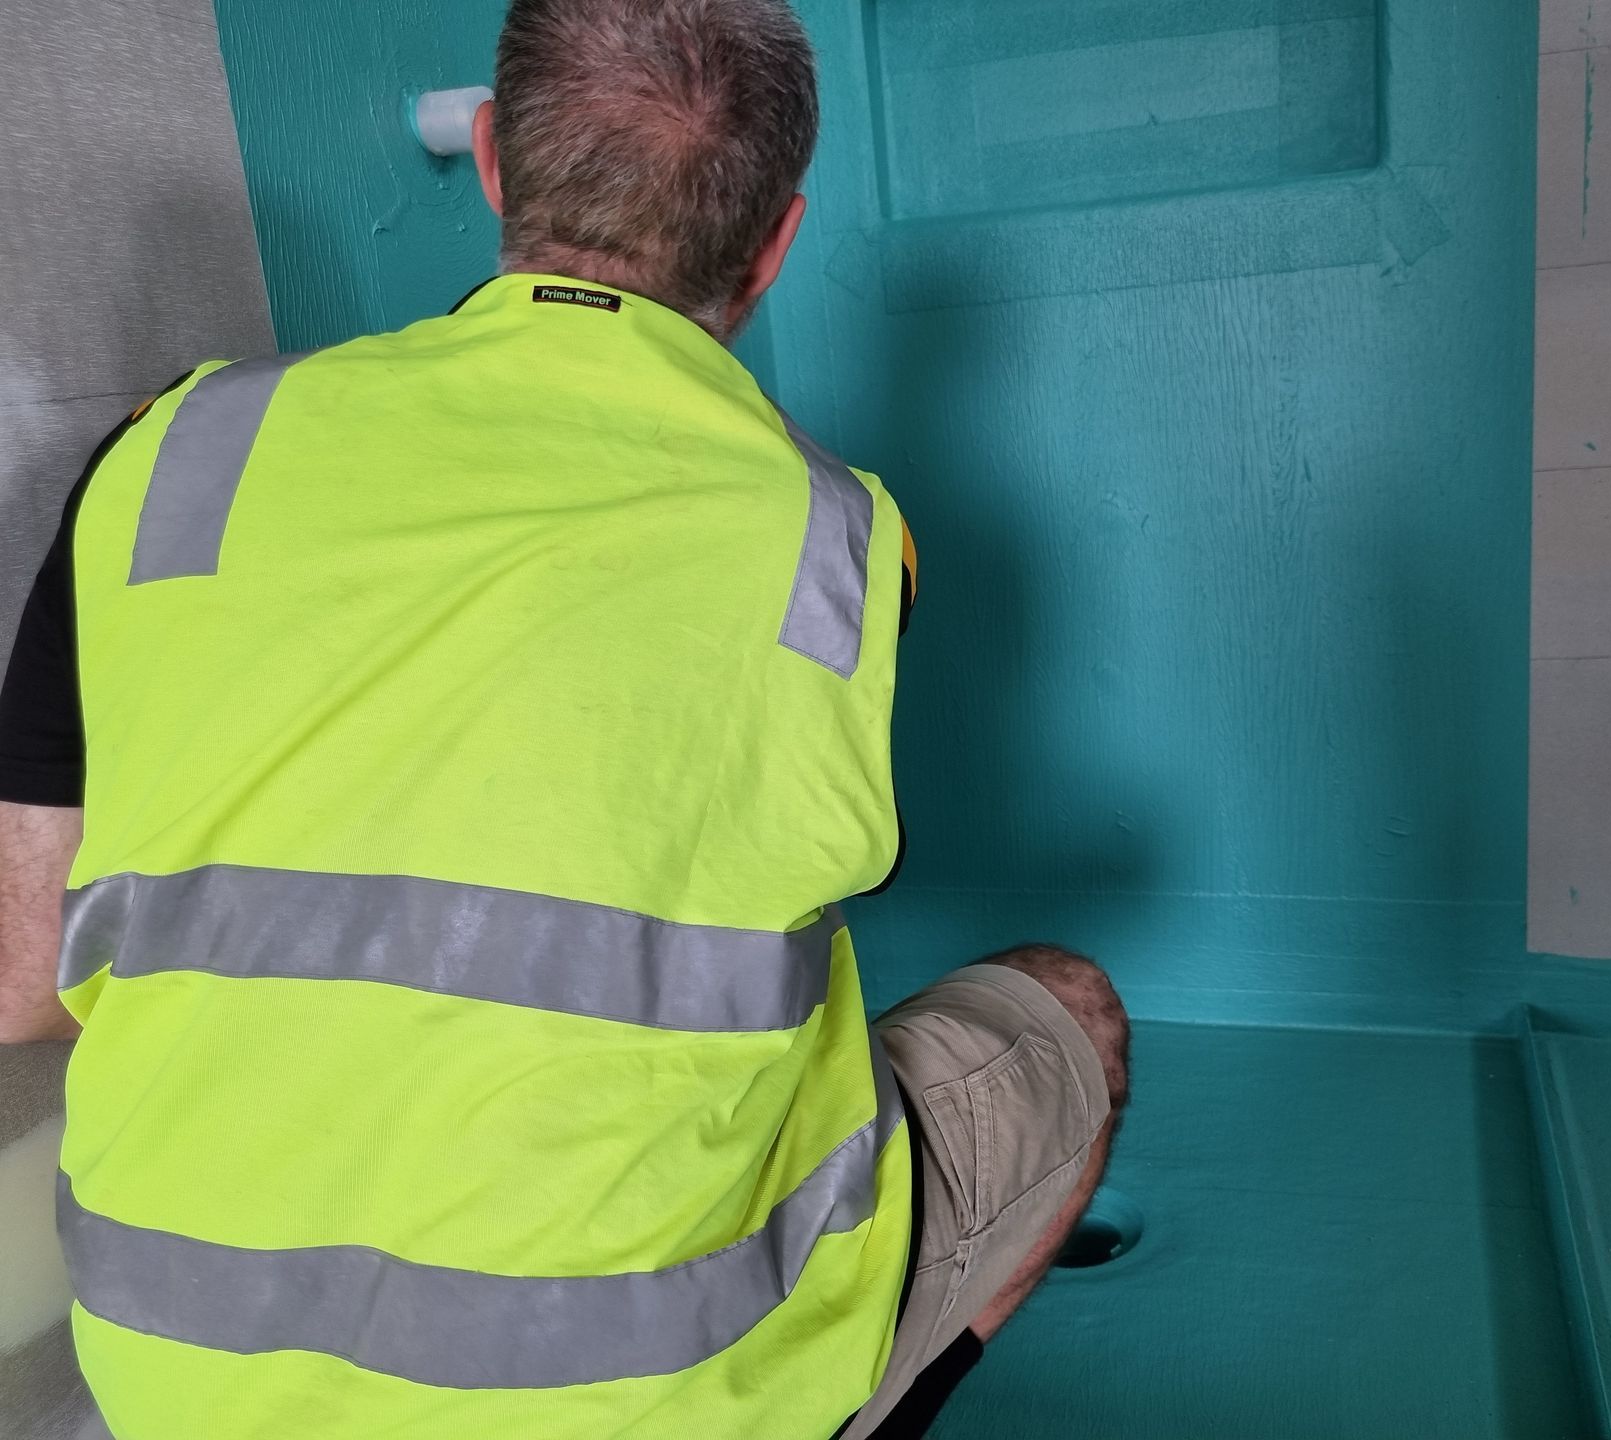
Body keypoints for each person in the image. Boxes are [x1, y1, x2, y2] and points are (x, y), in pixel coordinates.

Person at [0, 1, 1130, 1437]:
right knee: (1073, 1013)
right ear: (775, 243)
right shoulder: (839, 545)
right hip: (659, 1399)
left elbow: (25, 982)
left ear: (488, 159)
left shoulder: (167, 453)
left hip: (178, 1384)